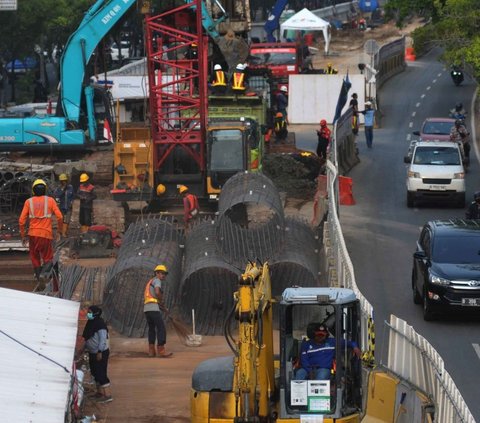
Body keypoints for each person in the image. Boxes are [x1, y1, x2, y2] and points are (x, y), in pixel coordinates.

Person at [19, 179, 63, 291]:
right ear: (45, 190)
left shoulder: (28, 202)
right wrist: (59, 231)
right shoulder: (51, 201)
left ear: (33, 190)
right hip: (45, 235)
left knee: (35, 258)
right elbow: (60, 217)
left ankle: (39, 279)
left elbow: (21, 221)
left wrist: (23, 235)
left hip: (32, 235)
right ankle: (44, 275)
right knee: (48, 258)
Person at [295, 323, 361, 381]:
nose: (320, 337)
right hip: (307, 369)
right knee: (299, 374)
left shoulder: (332, 342)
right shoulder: (306, 344)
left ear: (326, 335)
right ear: (314, 334)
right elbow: (304, 360)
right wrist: (309, 371)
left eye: (322, 335)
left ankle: (317, 395)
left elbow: (349, 343)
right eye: (318, 335)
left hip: (323, 369)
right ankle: (298, 394)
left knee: (321, 377)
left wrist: (355, 347)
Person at [81, 305, 113, 403]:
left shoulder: (100, 324)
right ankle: (99, 393)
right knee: (95, 372)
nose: (88, 314)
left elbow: (103, 339)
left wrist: (100, 352)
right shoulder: (91, 323)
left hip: (100, 353)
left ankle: (107, 395)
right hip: (92, 352)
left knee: (101, 373)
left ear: (95, 313)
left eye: (90, 312)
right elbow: (88, 338)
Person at [144, 265, 173, 358]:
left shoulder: (150, 282)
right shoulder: (157, 280)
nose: (163, 275)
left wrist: (164, 308)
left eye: (164, 274)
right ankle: (161, 350)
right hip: (153, 308)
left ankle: (151, 351)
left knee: (151, 329)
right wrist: (160, 297)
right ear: (157, 273)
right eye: (162, 273)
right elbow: (157, 292)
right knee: (161, 328)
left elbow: (153, 299)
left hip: (147, 309)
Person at [54, 173, 74, 237]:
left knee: (67, 220)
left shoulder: (70, 187)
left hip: (68, 207)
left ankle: (64, 232)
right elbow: (57, 196)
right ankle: (60, 232)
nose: (64, 182)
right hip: (61, 207)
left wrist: (71, 202)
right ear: (60, 181)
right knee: (61, 219)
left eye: (65, 181)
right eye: (63, 181)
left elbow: (72, 196)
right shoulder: (58, 189)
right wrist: (63, 190)